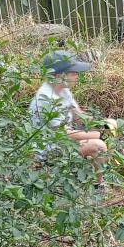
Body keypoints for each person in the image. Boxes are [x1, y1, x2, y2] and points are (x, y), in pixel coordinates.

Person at [29, 50, 108, 184]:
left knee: (99, 137)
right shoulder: (46, 98)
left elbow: (79, 116)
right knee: (99, 146)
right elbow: (64, 134)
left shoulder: (63, 90)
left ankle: (86, 176)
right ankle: (98, 185)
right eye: (73, 73)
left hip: (61, 142)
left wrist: (103, 124)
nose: (77, 76)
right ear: (59, 76)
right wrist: (97, 134)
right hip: (47, 150)